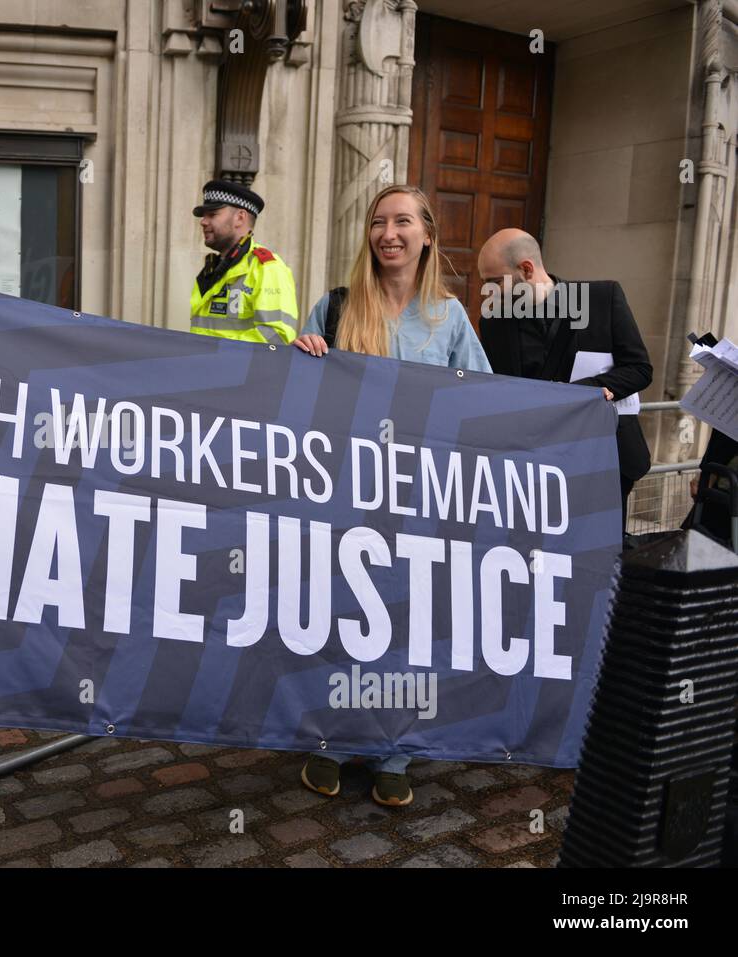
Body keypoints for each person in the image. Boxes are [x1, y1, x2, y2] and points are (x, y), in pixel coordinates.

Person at [293, 184, 492, 807]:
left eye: (403, 221)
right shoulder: (334, 306)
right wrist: (299, 356)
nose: (389, 233)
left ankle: (394, 749)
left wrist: (575, 408)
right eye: (379, 222)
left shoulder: (450, 317)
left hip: (421, 501)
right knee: (342, 616)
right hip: (346, 495)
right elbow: (294, 403)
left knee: (409, 624)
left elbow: (482, 401)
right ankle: (330, 738)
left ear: (427, 234)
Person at [476, 229, 652, 532]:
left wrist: (577, 395)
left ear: (526, 269)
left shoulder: (602, 298)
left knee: (603, 557)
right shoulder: (492, 323)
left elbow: (639, 369)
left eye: (493, 281)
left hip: (606, 459)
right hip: (533, 466)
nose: (487, 291)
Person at [189, 179, 298, 345]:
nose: (203, 221)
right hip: (206, 369)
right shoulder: (211, 269)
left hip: (232, 370)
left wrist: (213, 353)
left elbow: (276, 338)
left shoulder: (268, 268)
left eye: (212, 214)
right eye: (204, 216)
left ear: (240, 218)